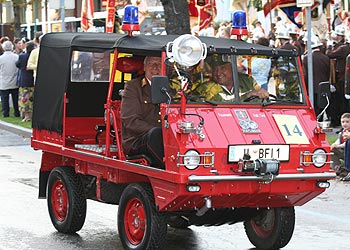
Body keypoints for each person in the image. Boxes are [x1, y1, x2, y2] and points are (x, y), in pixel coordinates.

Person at [121, 56, 164, 169]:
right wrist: (162, 132)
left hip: (167, 138)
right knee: (156, 135)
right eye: (151, 64)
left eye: (159, 64)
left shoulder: (171, 87)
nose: (155, 67)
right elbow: (131, 122)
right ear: (144, 67)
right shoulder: (133, 87)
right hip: (138, 139)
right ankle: (170, 170)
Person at [194, 55, 269, 102]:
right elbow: (219, 105)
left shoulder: (247, 81)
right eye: (215, 69)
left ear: (232, 68)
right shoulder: (206, 88)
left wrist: (263, 94)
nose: (218, 73)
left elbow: (261, 99)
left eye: (223, 68)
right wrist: (247, 95)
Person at [302, 34, 330, 115]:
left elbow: (305, 75)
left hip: (311, 88)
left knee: (312, 111)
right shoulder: (325, 57)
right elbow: (328, 72)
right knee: (321, 109)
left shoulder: (307, 58)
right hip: (323, 87)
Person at [16, 41, 35, 122]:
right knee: (32, 98)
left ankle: (26, 116)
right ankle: (32, 115)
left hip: (24, 80)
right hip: (32, 80)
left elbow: (17, 64)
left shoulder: (22, 56)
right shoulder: (34, 56)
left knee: (24, 99)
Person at [0, 41, 20, 118]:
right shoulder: (16, 57)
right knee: (15, 99)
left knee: (5, 100)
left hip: (4, 82)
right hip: (14, 81)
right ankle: (16, 112)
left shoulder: (1, 58)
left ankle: (6, 113)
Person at [330, 113, 350, 178]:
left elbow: (346, 144)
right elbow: (339, 140)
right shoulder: (342, 132)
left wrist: (339, 146)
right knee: (332, 150)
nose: (345, 124)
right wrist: (334, 145)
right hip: (343, 152)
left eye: (347, 122)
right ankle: (336, 168)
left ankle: (347, 169)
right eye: (343, 122)